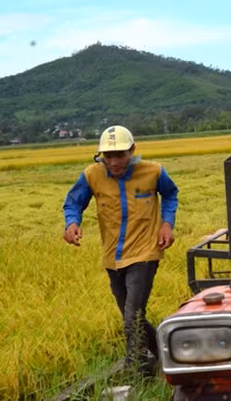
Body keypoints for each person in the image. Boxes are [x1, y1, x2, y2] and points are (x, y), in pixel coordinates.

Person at [63, 125, 179, 377]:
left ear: (132, 150)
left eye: (120, 155)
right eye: (108, 156)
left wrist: (167, 224)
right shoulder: (92, 175)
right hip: (113, 256)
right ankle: (170, 354)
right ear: (100, 155)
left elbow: (171, 194)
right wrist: (72, 223)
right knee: (133, 316)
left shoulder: (154, 172)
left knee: (131, 317)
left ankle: (134, 370)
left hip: (146, 253)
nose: (114, 162)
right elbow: (74, 202)